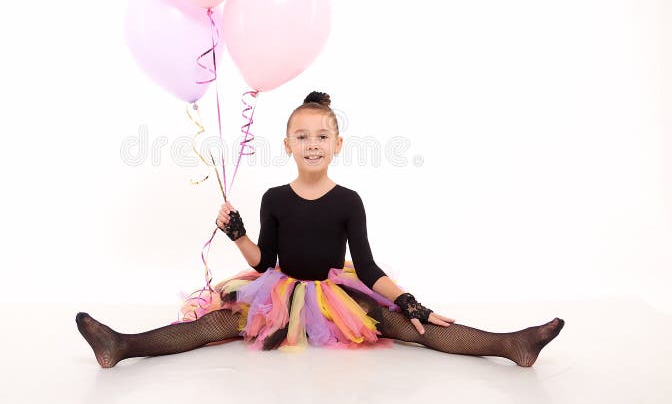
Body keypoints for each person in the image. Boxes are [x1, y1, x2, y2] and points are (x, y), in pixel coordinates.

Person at [76, 91, 564, 368]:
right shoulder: (274, 198)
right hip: (280, 294)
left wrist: (413, 301)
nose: (313, 144)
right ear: (288, 144)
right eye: (303, 137)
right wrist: (238, 233)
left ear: (338, 143)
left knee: (408, 326)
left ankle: (509, 344)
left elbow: (368, 268)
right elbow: (264, 262)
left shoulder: (349, 201)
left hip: (336, 296)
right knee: (212, 326)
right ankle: (123, 344)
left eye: (322, 136)